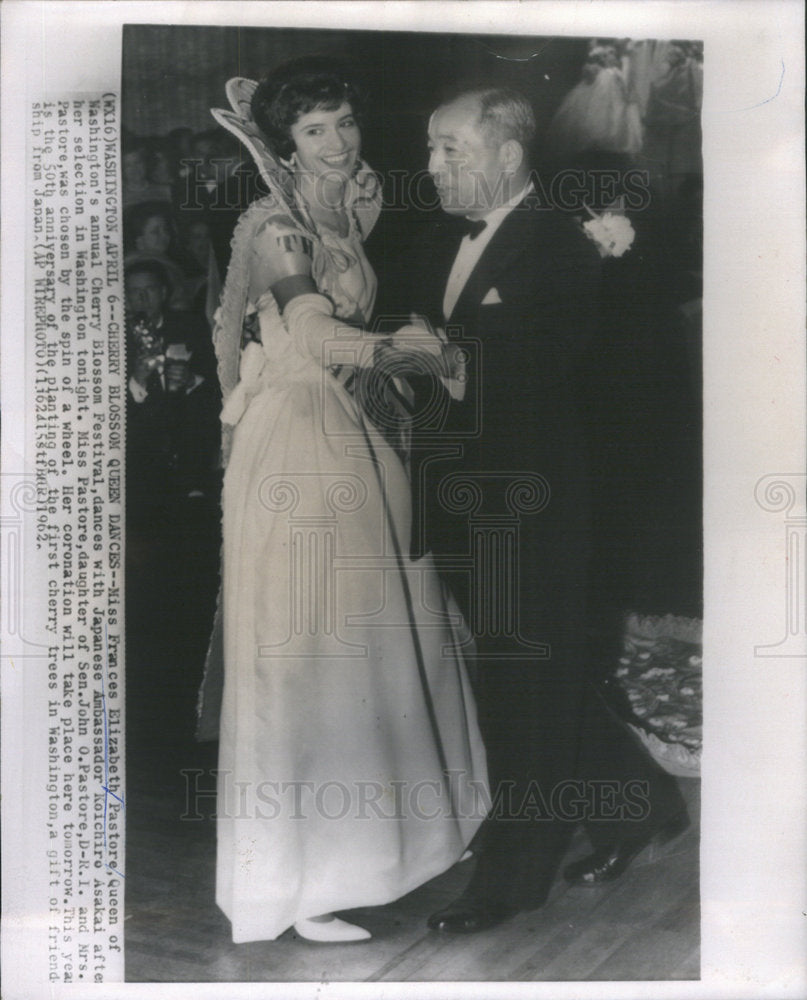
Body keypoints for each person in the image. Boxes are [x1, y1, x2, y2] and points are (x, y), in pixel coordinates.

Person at [200, 58, 488, 945]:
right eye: (315, 130)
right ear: (285, 141)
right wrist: (418, 357)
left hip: (349, 432)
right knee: (311, 652)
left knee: (370, 642)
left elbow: (354, 327)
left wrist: (407, 355)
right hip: (295, 439)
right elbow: (318, 331)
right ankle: (296, 885)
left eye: (345, 124)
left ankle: (381, 853)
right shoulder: (274, 226)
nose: (337, 142)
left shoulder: (346, 209)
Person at [400, 87, 686, 934]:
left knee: (521, 695)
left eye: (449, 149)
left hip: (532, 511)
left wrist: (441, 353)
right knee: (533, 676)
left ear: (507, 155)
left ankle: (509, 880)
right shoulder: (437, 239)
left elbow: (540, 369)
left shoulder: (560, 244)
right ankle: (640, 808)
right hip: (459, 506)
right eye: (431, 148)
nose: (432, 166)